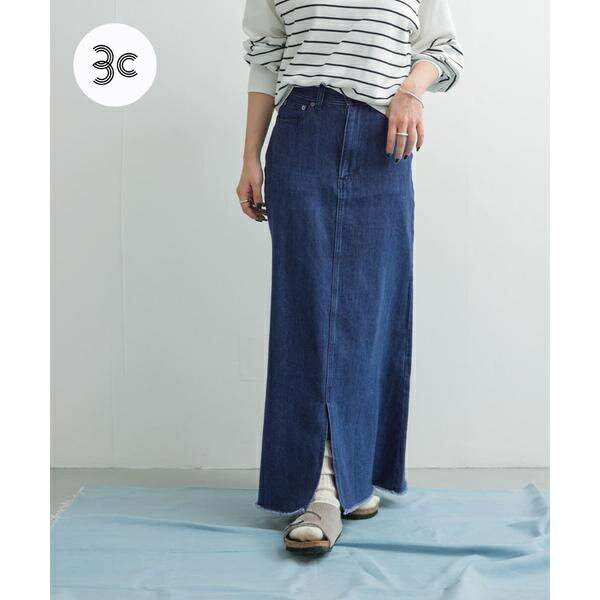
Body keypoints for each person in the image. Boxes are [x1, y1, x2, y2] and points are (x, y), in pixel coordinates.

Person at [237, 0, 463, 554]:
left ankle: (355, 476)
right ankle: (319, 488)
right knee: (308, 310)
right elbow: (266, 57)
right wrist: (250, 157)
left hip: (383, 139)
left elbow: (444, 51)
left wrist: (410, 91)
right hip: (302, 133)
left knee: (372, 309)